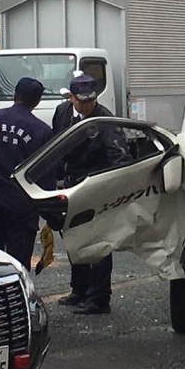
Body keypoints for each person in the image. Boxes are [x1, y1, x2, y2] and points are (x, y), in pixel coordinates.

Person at [51, 73, 128, 315]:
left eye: (90, 101)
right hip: (69, 187)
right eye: (81, 101)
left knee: (98, 245)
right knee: (74, 240)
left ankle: (99, 298)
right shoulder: (62, 113)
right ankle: (79, 289)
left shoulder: (105, 121)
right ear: (71, 98)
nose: (87, 105)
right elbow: (55, 146)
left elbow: (120, 159)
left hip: (95, 189)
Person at [0, 78, 54, 270]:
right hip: (23, 203)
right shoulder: (42, 131)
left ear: (14, 96)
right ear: (37, 102)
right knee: (19, 258)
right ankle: (18, 296)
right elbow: (46, 172)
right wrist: (50, 209)